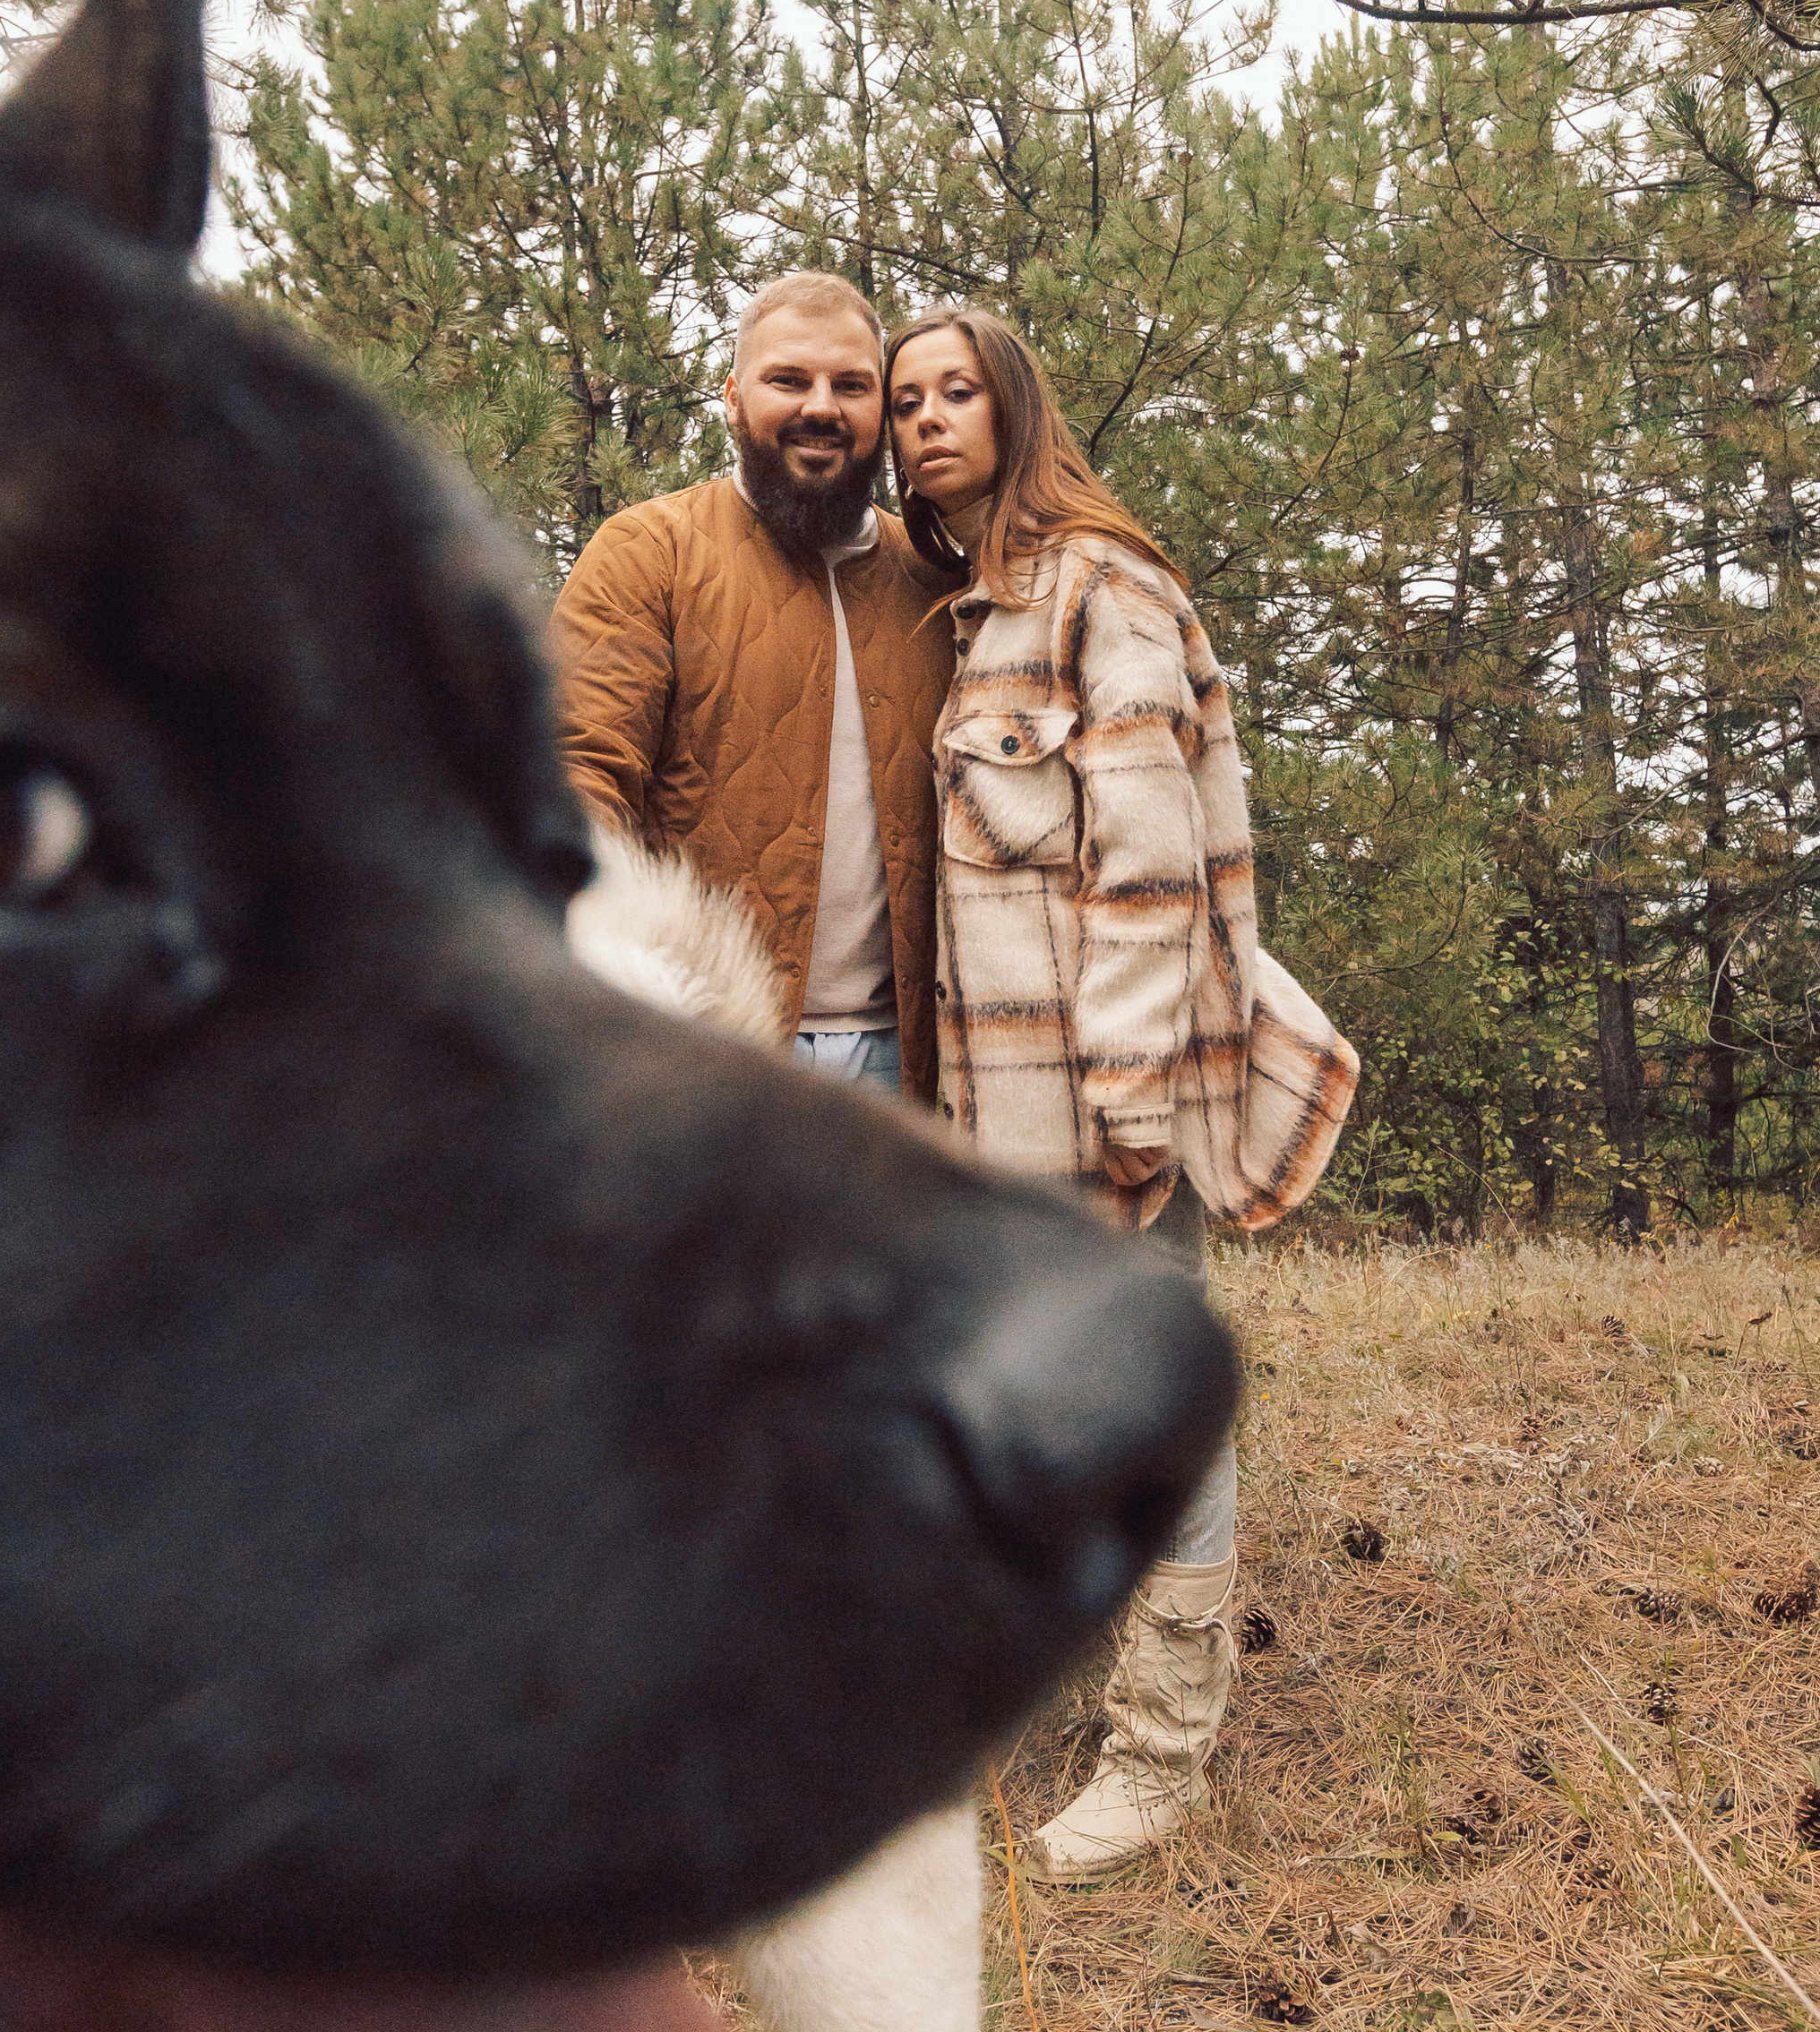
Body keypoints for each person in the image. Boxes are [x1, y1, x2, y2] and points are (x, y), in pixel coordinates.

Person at [887, 304, 1357, 1882]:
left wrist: (1135, 1089)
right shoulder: (968, 615)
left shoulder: (1107, 587)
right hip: (997, 1108)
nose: (928, 418)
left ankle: (1165, 1746)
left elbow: (1154, 865)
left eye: (958, 391)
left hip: (1104, 1090)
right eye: (909, 401)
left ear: (1017, 409)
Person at [547, 272, 952, 1102]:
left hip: (915, 1061)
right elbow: (574, 782)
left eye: (851, 384)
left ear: (883, 409)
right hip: (706, 1046)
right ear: (733, 397)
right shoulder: (647, 554)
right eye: (787, 380)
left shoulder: (939, 575)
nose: (821, 406)